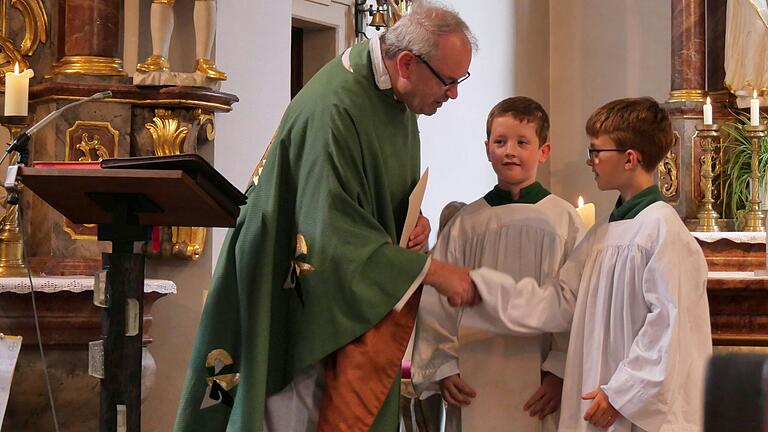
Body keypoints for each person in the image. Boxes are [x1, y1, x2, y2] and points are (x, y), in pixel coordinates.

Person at [174, 2, 480, 431]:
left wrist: (414, 223)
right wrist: (432, 271)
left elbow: (372, 193)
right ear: (408, 63)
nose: (454, 94)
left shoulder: (397, 99)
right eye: (449, 81)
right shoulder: (336, 107)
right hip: (296, 293)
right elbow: (329, 234)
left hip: (343, 291)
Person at [462, 97, 712, 431]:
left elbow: (669, 331)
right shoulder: (603, 234)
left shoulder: (663, 231)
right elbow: (560, 301)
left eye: (596, 151)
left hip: (630, 409)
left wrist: (620, 394)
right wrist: (480, 290)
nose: (590, 161)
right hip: (599, 396)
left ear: (629, 159)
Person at [411, 96, 584, 431]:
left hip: (539, 377)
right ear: (487, 148)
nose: (510, 151)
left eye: (522, 142)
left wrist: (560, 369)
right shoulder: (467, 222)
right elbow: (437, 300)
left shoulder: (564, 221)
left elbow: (575, 299)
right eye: (501, 142)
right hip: (476, 377)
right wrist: (443, 365)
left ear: (543, 152)